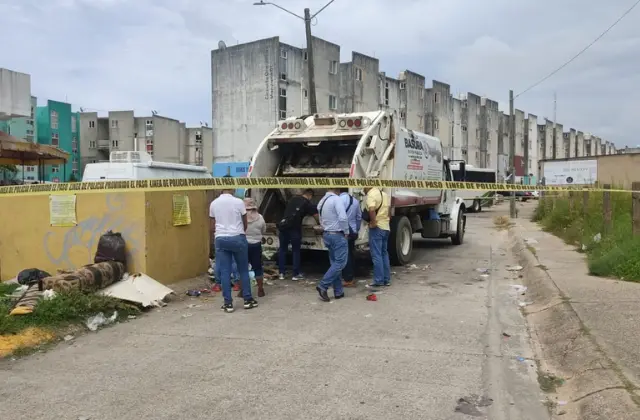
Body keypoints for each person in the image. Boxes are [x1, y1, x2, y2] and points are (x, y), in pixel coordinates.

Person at [209, 186, 258, 313]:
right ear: (233, 188)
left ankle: (228, 304)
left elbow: (212, 226)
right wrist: (240, 233)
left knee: (225, 272)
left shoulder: (213, 204)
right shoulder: (238, 202)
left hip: (220, 238)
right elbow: (244, 222)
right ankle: (247, 300)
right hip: (237, 237)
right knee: (243, 270)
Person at [277, 188, 318, 281]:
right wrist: (320, 223)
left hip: (283, 227)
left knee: (282, 250)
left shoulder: (293, 199)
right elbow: (315, 215)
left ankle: (281, 273)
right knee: (296, 251)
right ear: (310, 196)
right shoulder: (307, 203)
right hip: (294, 229)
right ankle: (295, 274)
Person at [315, 188, 348, 302]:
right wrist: (346, 231)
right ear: (337, 190)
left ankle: (338, 291)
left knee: (334, 263)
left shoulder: (322, 201)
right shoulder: (336, 199)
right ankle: (323, 286)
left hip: (327, 235)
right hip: (337, 235)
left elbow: (320, 219)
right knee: (340, 263)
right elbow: (343, 217)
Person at [364, 186, 391, 288]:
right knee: (384, 253)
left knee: (376, 255)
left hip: (377, 228)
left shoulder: (371, 194)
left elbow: (371, 210)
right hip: (385, 227)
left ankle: (378, 280)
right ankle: (386, 279)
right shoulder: (384, 194)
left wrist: (373, 223)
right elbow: (389, 212)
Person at [243, 198, 267, 297]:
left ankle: (243, 290)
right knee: (257, 267)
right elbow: (263, 230)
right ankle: (260, 289)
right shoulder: (260, 217)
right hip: (256, 245)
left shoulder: (241, 216)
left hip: (243, 244)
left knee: (243, 268)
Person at [340, 189, 361, 287]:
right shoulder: (355, 201)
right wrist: (356, 229)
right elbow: (359, 217)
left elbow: (339, 216)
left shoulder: (339, 199)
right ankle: (352, 275)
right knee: (351, 254)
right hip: (352, 231)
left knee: (345, 255)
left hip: (343, 231)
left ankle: (347, 279)